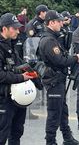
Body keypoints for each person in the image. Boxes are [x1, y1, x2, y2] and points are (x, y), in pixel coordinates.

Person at [38, 10, 79, 145]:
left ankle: (67, 138)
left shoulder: (54, 38)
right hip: (54, 81)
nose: (61, 23)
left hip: (58, 80)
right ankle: (50, 141)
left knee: (62, 111)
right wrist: (76, 58)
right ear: (51, 22)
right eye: (58, 21)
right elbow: (60, 61)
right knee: (54, 113)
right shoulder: (49, 40)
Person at [0, 13, 34, 145]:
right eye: (14, 28)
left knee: (17, 131)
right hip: (4, 98)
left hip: (17, 98)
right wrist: (21, 77)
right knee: (2, 134)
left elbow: (19, 64)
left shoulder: (11, 44)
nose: (17, 30)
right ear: (4, 29)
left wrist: (32, 72)